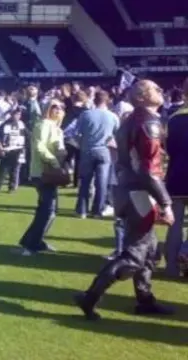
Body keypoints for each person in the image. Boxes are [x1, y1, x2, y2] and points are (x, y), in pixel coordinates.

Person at [75, 80, 175, 320]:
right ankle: (90, 297)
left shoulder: (131, 120)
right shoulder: (148, 123)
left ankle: (145, 299)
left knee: (149, 251)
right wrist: (166, 203)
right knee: (135, 254)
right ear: (140, 97)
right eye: (155, 89)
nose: (161, 91)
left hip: (129, 190)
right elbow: (148, 170)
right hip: (140, 192)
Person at [15, 100, 67, 256]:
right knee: (48, 210)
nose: (58, 110)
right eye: (54, 107)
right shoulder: (43, 124)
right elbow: (39, 146)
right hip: (43, 172)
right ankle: (31, 244)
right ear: (48, 109)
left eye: (61, 107)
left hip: (50, 171)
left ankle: (33, 241)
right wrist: (54, 161)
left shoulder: (56, 128)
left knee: (47, 209)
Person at [74, 90, 119, 218]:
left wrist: (81, 144)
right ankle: (97, 211)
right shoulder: (113, 116)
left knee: (85, 181)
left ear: (94, 100)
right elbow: (117, 134)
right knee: (102, 183)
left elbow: (77, 133)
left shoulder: (85, 115)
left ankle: (82, 210)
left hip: (88, 150)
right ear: (107, 101)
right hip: (104, 151)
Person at [162, 78, 188, 278]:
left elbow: (167, 149)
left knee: (175, 224)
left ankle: (171, 267)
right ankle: (185, 255)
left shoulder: (173, 118)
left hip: (176, 174)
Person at [0, 108, 26, 193]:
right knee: (3, 170)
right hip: (7, 149)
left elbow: (27, 135)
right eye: (16, 114)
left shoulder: (21, 124)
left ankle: (12, 187)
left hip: (19, 149)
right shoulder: (5, 125)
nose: (17, 116)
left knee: (15, 170)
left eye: (19, 115)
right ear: (11, 114)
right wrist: (0, 148)